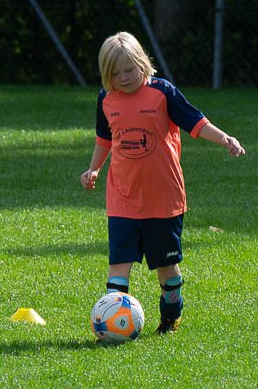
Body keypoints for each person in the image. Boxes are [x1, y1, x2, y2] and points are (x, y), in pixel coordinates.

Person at [80, 32, 245, 334]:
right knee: (118, 265)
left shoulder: (162, 92)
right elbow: (104, 138)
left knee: (166, 269)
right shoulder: (106, 99)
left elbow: (196, 122)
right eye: (115, 73)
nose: (123, 77)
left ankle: (170, 318)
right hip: (123, 198)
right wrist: (93, 169)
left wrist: (225, 139)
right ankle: (113, 329)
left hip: (164, 200)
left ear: (142, 62)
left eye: (129, 69)